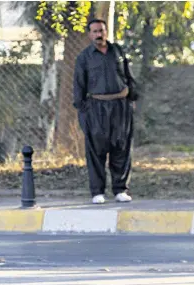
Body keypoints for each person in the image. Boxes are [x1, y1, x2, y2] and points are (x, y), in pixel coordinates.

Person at [74, 19, 138, 204]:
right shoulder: (84, 57)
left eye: (101, 30)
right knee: (96, 150)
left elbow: (128, 75)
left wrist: (131, 98)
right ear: (89, 34)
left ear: (106, 31)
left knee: (121, 147)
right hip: (97, 109)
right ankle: (97, 192)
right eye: (94, 31)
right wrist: (84, 113)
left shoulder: (117, 51)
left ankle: (120, 189)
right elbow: (78, 86)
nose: (98, 34)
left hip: (120, 106)